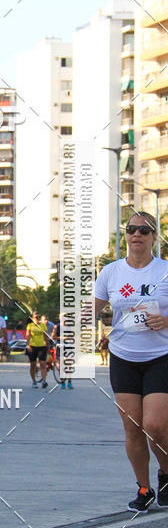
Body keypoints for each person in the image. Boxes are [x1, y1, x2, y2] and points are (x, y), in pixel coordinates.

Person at [94, 211, 168, 512]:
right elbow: (92, 309)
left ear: (154, 237)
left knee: (156, 426)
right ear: (125, 235)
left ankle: (165, 474)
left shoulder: (164, 270)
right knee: (132, 426)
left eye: (144, 230)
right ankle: (143, 487)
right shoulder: (111, 272)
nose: (137, 234)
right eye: (131, 229)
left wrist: (165, 319)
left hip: (160, 357)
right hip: (123, 356)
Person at [26, 311, 49, 388]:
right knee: (33, 365)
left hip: (42, 346)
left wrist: (48, 346)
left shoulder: (43, 325)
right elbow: (28, 336)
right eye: (36, 317)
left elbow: (46, 336)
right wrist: (28, 345)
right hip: (32, 346)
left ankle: (44, 380)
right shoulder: (30, 325)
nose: (38, 319)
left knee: (42, 363)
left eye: (39, 317)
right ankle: (34, 381)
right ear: (33, 318)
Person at [51, 315, 73, 390]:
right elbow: (53, 337)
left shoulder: (71, 327)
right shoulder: (57, 326)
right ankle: (63, 382)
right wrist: (62, 338)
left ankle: (69, 382)